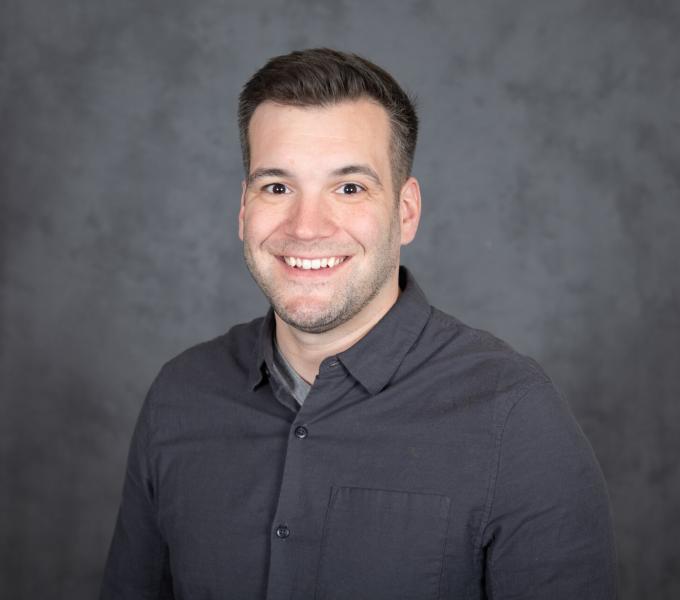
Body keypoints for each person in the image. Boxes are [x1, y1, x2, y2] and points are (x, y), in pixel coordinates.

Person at [100, 48, 618, 599]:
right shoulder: (180, 396)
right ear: (243, 209)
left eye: (349, 188)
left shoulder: (515, 419)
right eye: (277, 187)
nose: (306, 227)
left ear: (407, 211)